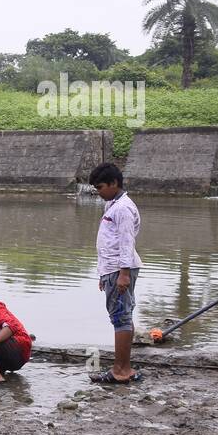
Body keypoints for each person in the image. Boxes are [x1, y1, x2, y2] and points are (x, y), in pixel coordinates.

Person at [88, 162, 143, 383]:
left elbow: (126, 242)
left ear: (114, 183)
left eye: (100, 187)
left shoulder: (123, 209)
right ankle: (123, 368)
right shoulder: (113, 204)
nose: (98, 192)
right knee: (121, 316)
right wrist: (104, 275)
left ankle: (121, 371)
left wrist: (123, 274)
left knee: (120, 318)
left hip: (120, 270)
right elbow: (110, 241)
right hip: (112, 270)